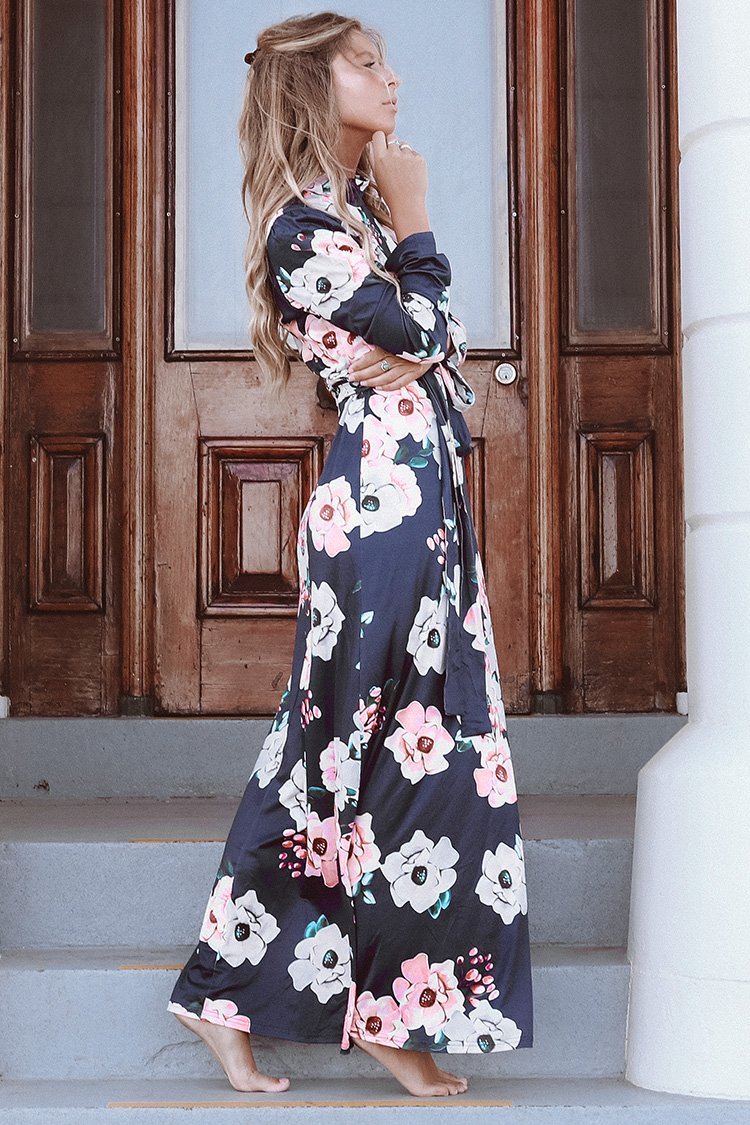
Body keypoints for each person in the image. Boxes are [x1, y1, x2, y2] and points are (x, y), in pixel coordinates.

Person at [167, 10, 533, 1099]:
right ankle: (255, 996)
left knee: (432, 751)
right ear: (313, 89)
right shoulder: (303, 230)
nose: (392, 78)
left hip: (422, 495)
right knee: (346, 752)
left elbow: (437, 340)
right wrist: (419, 233)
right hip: (377, 507)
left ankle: (371, 1008)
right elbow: (420, 333)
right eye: (366, 64)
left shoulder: (356, 215)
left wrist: (416, 305)